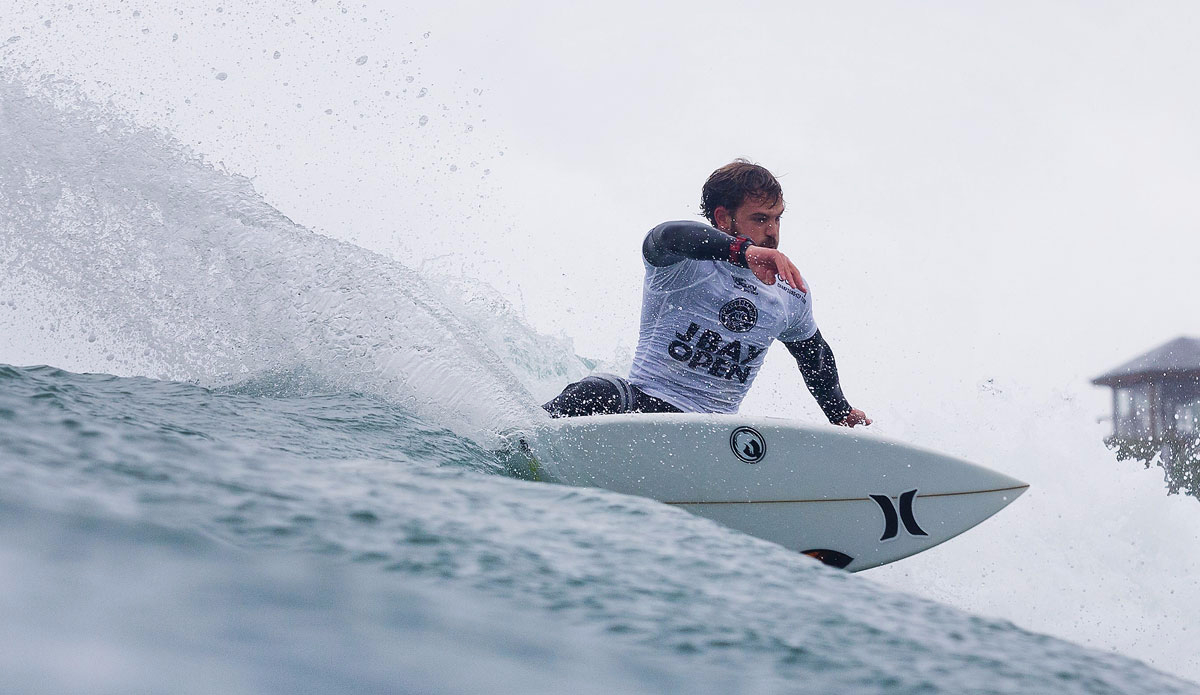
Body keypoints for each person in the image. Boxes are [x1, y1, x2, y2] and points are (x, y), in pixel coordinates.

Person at [543, 159, 871, 428]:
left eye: (777, 219)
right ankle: (528, 441)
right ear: (723, 218)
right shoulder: (682, 264)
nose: (772, 232)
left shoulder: (789, 290)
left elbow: (813, 354)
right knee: (595, 391)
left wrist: (839, 412)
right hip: (643, 412)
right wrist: (743, 252)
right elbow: (666, 236)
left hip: (713, 435)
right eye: (760, 219)